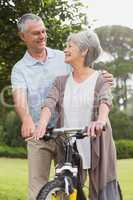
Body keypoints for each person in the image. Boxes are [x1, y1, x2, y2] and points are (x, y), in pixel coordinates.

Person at [11, 13, 114, 200]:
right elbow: (20, 96)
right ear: (23, 36)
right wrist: (26, 119)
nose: (42, 36)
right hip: (38, 132)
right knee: (37, 187)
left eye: (43, 31)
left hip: (67, 130)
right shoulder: (20, 69)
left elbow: (85, 73)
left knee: (69, 185)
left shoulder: (62, 57)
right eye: (35, 33)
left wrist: (102, 76)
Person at [34, 30, 122, 200]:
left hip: (96, 140)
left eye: (70, 46)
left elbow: (105, 100)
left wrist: (100, 121)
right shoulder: (60, 81)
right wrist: (42, 123)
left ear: (84, 51)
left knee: (102, 192)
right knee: (67, 188)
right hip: (70, 144)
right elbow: (49, 103)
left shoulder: (100, 79)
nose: (65, 49)